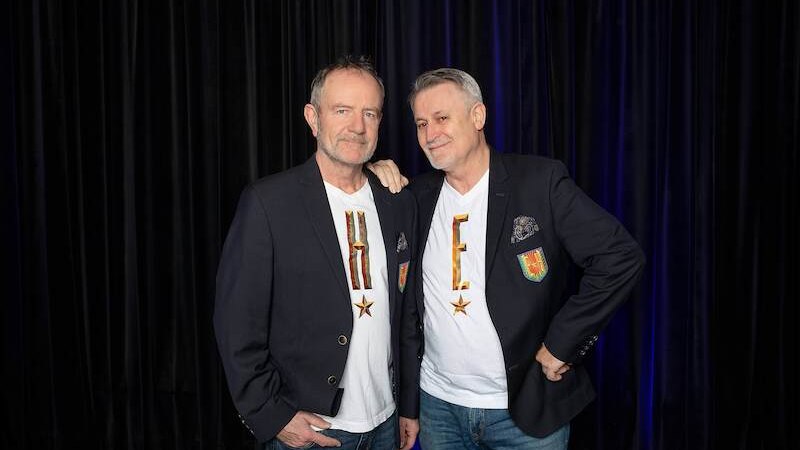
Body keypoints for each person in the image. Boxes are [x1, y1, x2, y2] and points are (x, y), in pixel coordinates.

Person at [369, 68, 645, 449]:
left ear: (478, 116)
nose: (430, 135)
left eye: (442, 118)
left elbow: (620, 256)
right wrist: (372, 170)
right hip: (440, 409)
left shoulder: (539, 182)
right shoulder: (416, 196)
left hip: (522, 413)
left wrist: (562, 344)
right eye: (420, 123)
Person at [214, 56, 420, 450]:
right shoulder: (268, 203)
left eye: (370, 113)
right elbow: (235, 322)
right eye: (342, 110)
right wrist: (271, 415)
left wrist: (408, 404)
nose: (357, 127)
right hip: (311, 431)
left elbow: (407, 313)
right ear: (313, 118)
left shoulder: (398, 202)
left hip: (386, 424)